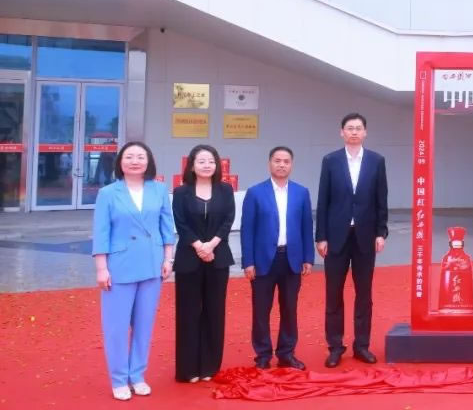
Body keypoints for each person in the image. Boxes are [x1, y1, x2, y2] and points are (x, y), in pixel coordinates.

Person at [91, 141, 175, 401]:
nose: (135, 161)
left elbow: (167, 227)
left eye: (140, 156)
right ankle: (119, 379)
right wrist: (102, 268)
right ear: (120, 162)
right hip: (120, 267)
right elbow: (101, 233)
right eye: (129, 157)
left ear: (148, 161)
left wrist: (168, 258)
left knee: (143, 326)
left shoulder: (159, 190)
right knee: (116, 328)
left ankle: (137, 375)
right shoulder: (108, 193)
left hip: (152, 264)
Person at [316, 113, 388, 367]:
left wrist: (381, 232)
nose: (354, 132)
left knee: (364, 294)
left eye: (358, 128)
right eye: (350, 128)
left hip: (365, 237)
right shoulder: (331, 161)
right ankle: (335, 346)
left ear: (365, 132)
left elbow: (381, 199)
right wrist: (321, 236)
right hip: (336, 237)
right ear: (342, 132)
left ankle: (362, 345)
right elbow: (323, 200)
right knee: (333, 294)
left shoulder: (376, 161)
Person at [241, 146, 314, 370]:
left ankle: (286, 353)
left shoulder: (301, 193)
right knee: (261, 310)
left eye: (286, 161)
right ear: (269, 163)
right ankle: (263, 355)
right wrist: (248, 261)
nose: (281, 165)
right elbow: (247, 229)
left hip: (291, 259)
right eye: (277, 160)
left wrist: (308, 257)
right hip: (263, 261)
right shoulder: (255, 193)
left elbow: (306, 227)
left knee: (289, 309)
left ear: (292, 165)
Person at [172, 144, 235, 383]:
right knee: (188, 313)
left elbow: (228, 220)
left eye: (211, 161)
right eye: (201, 161)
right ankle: (188, 369)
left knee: (214, 311)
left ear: (217, 165)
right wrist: (199, 246)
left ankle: (209, 366)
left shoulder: (225, 190)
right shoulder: (181, 193)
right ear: (192, 166)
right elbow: (181, 224)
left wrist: (212, 245)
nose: (207, 165)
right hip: (189, 259)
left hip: (218, 258)